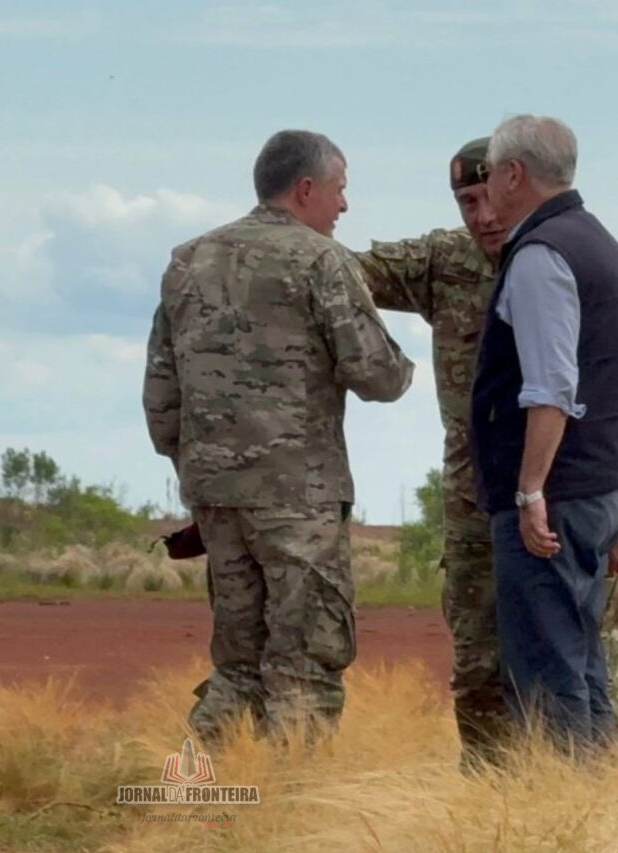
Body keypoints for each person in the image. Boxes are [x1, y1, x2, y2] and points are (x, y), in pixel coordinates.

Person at [356, 138, 618, 765]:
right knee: (481, 670)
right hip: (479, 502)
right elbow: (333, 270)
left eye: (488, 197)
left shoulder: (569, 254)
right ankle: (494, 806)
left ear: (515, 182)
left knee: (584, 663)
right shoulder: (442, 261)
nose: (482, 217)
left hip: (567, 494)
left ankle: (593, 802)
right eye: (465, 202)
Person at [143, 129, 414, 744]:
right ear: (306, 188)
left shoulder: (189, 260)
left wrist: (196, 468)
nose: (344, 206)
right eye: (341, 190)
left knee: (237, 667)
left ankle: (198, 802)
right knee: (305, 667)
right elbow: (377, 374)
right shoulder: (321, 260)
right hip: (299, 499)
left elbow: (161, 393)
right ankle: (290, 816)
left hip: (216, 498)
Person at [470, 115, 618, 753]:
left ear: (515, 174)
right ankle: (606, 811)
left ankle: (563, 817)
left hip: (552, 499)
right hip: (599, 490)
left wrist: (530, 490)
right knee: (583, 661)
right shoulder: (602, 245)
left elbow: (550, 387)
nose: (488, 189)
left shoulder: (540, 255)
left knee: (547, 671)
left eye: (491, 174)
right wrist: (600, 425)